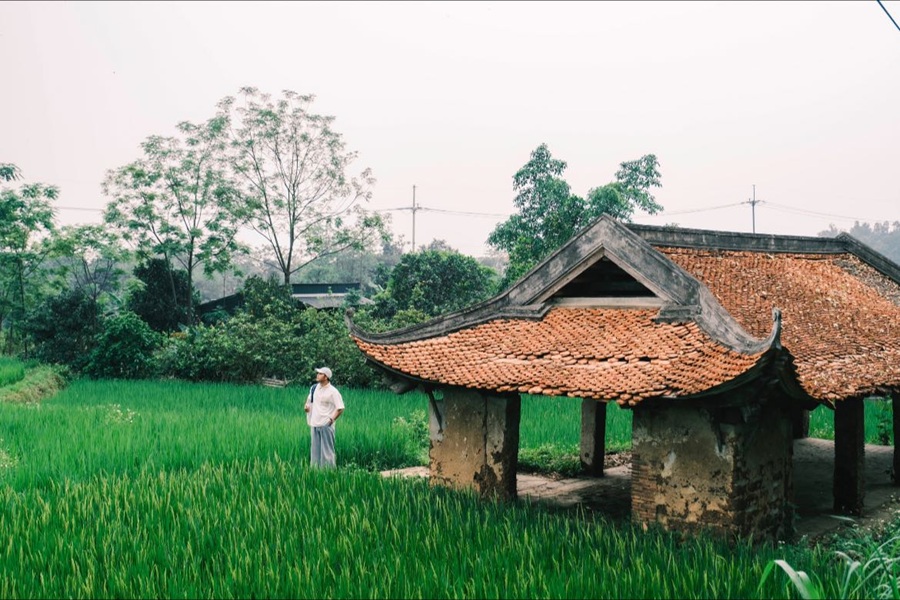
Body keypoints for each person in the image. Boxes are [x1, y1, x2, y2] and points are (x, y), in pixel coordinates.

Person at [304, 366, 344, 468]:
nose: (317, 375)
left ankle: (328, 473)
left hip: (326, 424)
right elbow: (309, 401)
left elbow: (340, 408)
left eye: (320, 374)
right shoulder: (314, 388)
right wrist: (307, 407)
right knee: (315, 451)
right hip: (314, 423)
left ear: (326, 377)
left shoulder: (333, 391)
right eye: (317, 373)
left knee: (327, 452)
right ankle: (315, 473)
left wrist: (331, 420)